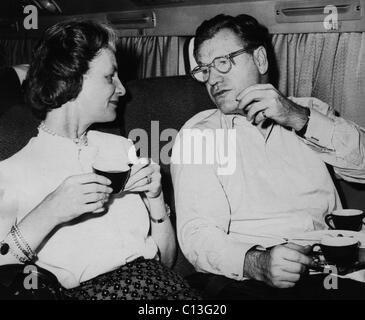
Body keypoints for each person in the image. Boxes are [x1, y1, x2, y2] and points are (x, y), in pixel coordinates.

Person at [0, 20, 199, 300]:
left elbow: (166, 262)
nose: (122, 89)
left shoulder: (122, 148)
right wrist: (50, 211)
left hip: (169, 290)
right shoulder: (12, 172)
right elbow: (4, 275)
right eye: (110, 77)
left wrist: (156, 198)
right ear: (70, 78)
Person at [171, 14, 365, 299]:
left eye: (223, 62)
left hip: (332, 268)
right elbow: (197, 234)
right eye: (204, 69)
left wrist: (299, 119)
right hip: (252, 282)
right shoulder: (199, 133)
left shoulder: (309, 110)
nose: (212, 79)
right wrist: (257, 263)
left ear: (260, 59)